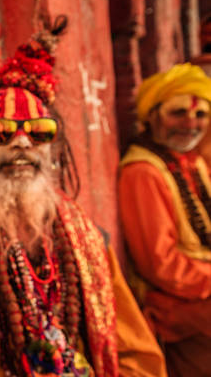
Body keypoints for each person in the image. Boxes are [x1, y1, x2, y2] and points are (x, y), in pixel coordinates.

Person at [0, 19, 166, 377]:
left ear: (54, 151)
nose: (22, 143)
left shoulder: (88, 239)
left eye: (39, 133)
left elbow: (135, 352)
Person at [118, 63, 211, 376]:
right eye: (178, 113)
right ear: (152, 116)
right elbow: (161, 266)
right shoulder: (142, 173)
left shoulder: (191, 163)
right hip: (171, 305)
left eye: (200, 115)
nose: (190, 124)